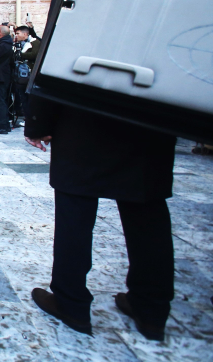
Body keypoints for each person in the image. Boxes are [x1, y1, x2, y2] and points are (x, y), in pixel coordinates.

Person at [26, 95, 176, 340]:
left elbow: (56, 65)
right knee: (146, 212)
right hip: (151, 116)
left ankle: (71, 302)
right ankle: (152, 309)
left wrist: (38, 123)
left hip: (84, 114)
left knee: (75, 210)